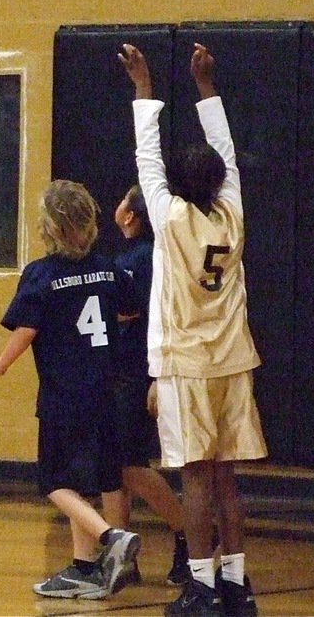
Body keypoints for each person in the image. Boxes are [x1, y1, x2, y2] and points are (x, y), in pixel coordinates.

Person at [118, 43, 267, 617]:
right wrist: (207, 88)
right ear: (219, 182)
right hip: (233, 361)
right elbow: (224, 155)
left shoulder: (171, 219)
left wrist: (143, 86)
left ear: (178, 188)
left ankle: (202, 587)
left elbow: (145, 159)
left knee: (196, 480)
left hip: (186, 364)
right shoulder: (233, 214)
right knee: (227, 479)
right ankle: (237, 584)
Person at [0, 180, 141, 600]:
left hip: (65, 396)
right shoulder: (109, 268)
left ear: (48, 228)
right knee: (83, 482)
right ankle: (83, 569)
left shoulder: (41, 274)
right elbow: (130, 309)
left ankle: (111, 537)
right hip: (106, 389)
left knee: (53, 481)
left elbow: (26, 329)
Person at [109, 184, 189, 586]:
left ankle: (191, 535)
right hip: (125, 370)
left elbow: (126, 311)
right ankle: (123, 555)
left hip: (135, 371)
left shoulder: (139, 259)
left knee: (131, 466)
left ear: (130, 216)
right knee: (116, 468)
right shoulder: (135, 256)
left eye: (123, 200)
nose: (117, 205)